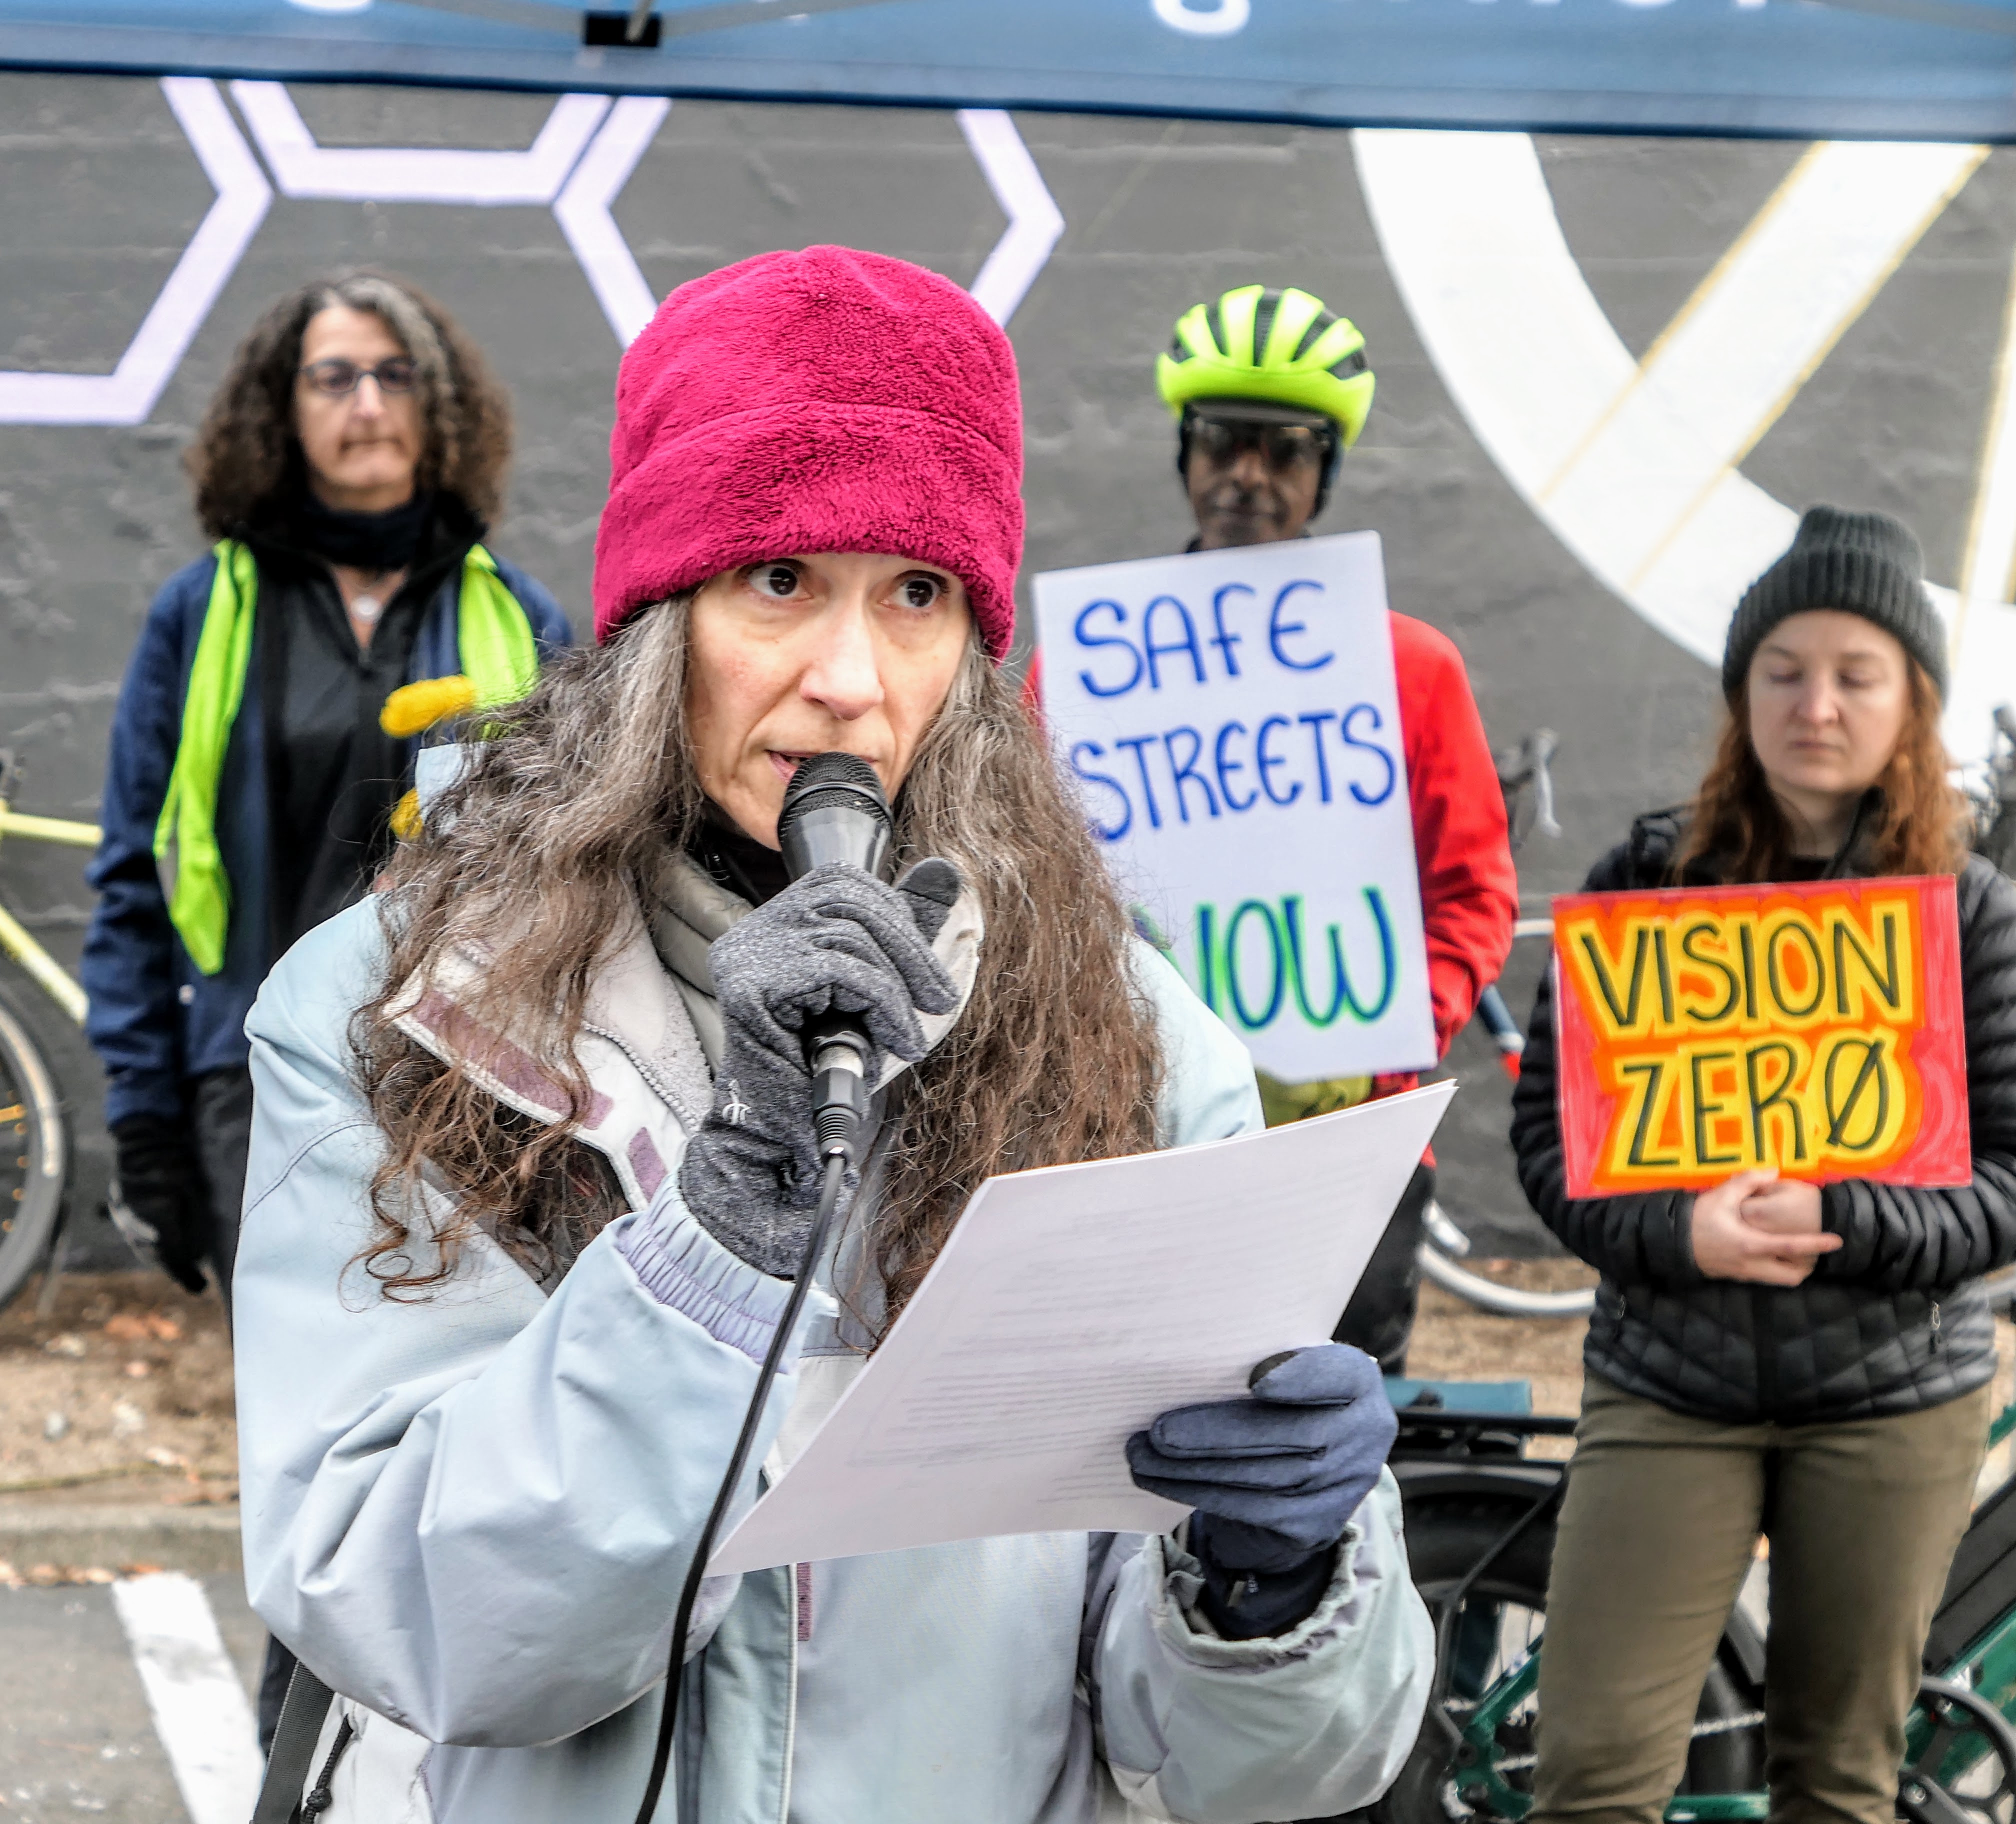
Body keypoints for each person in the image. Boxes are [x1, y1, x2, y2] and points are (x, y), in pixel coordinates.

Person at [232, 246, 1430, 1821]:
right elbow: (423, 1621)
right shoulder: (399, 1013)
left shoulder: (1136, 1050)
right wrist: (717, 1238)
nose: (849, 683)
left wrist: (1269, 1587)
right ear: (663, 621)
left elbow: (1240, 1767)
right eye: (780, 583)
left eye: (917, 596)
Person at [1512, 506, 2016, 1822]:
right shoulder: (1644, 882)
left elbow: (2007, 1182)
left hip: (1894, 1396)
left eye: (1859, 675)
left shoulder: (1970, 913)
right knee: (1590, 1777)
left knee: (1840, 1782)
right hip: (1671, 1382)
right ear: (1743, 692)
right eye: (1784, 671)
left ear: (1912, 700)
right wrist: (1681, 1234)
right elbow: (1548, 1142)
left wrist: (1841, 1213)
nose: (1817, 705)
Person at [1039, 282, 1516, 1370]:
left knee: (1324, 1431)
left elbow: (1474, 893)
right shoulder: (1083, 665)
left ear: (1325, 475)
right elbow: (1032, 881)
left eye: (1284, 451)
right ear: (1184, 454)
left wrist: (1393, 1022)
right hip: (1137, 1126)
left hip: (1343, 1134)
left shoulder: (1415, 668)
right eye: (1221, 444)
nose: (1247, 476)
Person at [82, 270, 570, 1306]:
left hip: (459, 1084)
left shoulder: (517, 613)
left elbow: (576, 864)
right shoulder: (205, 610)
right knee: (283, 1426)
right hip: (248, 1077)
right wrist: (142, 1114)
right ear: (282, 409)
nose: (368, 404)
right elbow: (133, 871)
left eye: (396, 376)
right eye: (334, 378)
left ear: (439, 403)